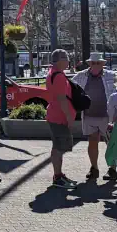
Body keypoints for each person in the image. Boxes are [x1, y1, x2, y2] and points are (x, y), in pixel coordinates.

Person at [72, 53, 117, 182]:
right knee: (92, 142)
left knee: (111, 143)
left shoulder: (112, 76)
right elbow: (70, 89)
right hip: (89, 114)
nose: (96, 65)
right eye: (93, 63)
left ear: (103, 64)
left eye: (98, 63)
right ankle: (94, 168)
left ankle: (113, 168)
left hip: (108, 116)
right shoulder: (80, 76)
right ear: (89, 64)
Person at [45, 49, 78, 189]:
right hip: (59, 117)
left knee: (57, 146)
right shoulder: (58, 76)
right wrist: (70, 117)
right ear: (59, 60)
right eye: (66, 58)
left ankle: (58, 175)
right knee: (60, 147)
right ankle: (58, 177)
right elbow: (61, 99)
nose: (68, 60)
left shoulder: (53, 73)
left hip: (54, 115)